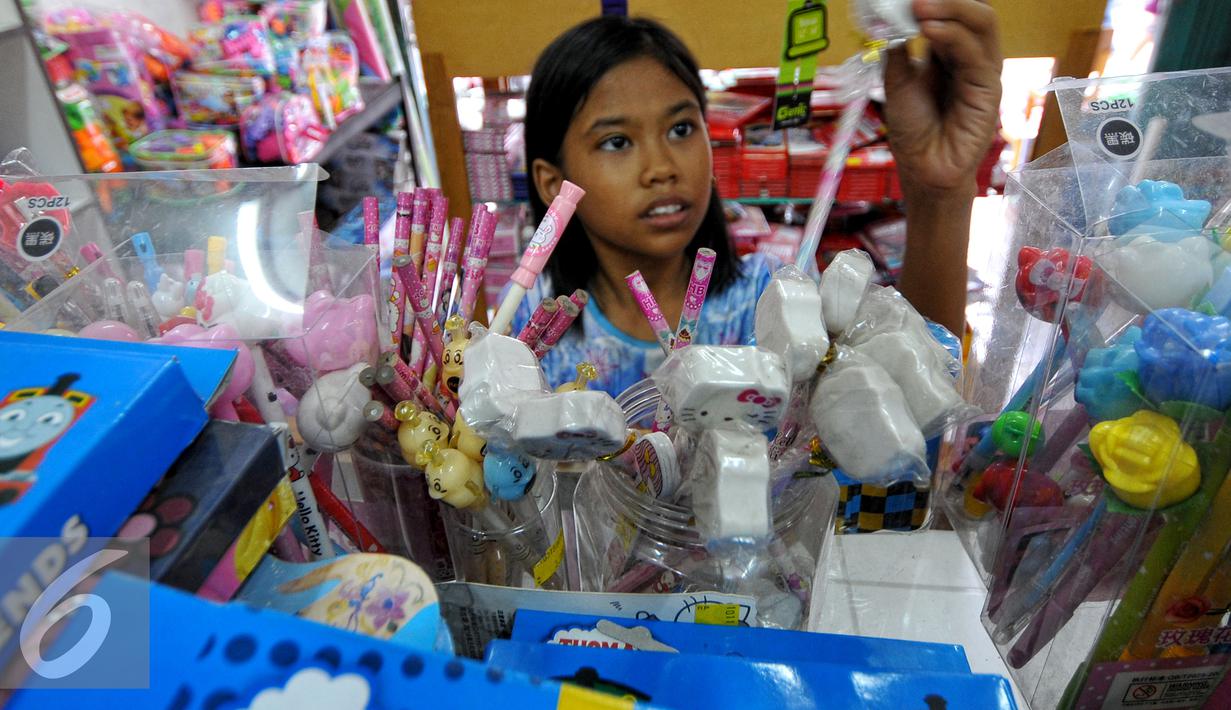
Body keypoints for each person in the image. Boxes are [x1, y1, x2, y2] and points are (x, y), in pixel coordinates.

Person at [512, 1, 1003, 396]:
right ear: (554, 183)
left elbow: (910, 400)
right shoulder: (537, 328)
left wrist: (939, 198)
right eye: (617, 141)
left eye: (682, 128)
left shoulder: (771, 296)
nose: (662, 167)